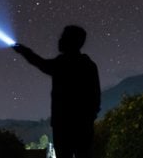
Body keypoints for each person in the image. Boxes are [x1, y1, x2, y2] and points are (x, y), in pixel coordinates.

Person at [13, 25, 101, 158]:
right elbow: (96, 96)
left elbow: (41, 63)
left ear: (71, 41)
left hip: (63, 125)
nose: (59, 40)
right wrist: (89, 117)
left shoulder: (62, 64)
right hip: (82, 125)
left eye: (63, 37)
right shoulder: (88, 65)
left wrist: (24, 51)